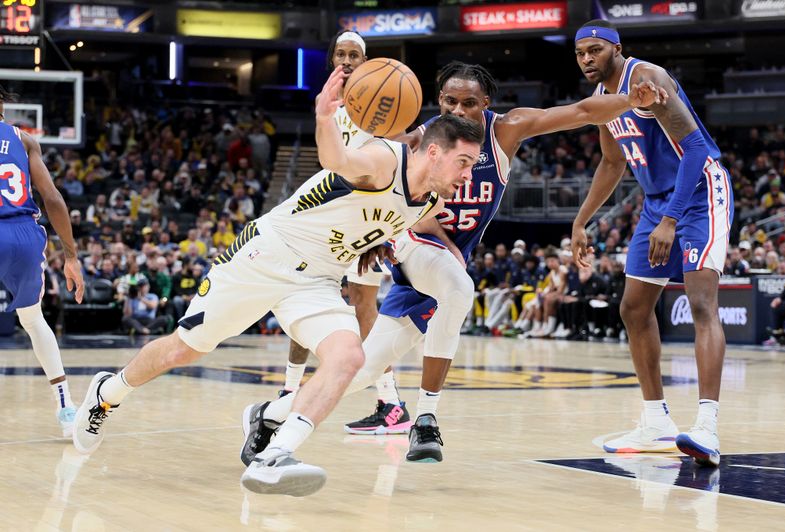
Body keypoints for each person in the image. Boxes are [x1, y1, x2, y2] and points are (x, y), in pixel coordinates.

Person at [72, 66, 484, 498]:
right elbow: (337, 160)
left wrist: (374, 242)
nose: (468, 175)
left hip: (317, 280)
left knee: (347, 359)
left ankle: (276, 456)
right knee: (184, 349)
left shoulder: (431, 199)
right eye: (464, 163)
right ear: (434, 153)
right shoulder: (384, 160)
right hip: (265, 257)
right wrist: (325, 119)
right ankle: (108, 391)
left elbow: (378, 222)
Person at [242, 60, 666, 463]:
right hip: (416, 245)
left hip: (439, 265)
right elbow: (381, 194)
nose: (458, 110)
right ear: (439, 101)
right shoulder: (419, 142)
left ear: (486, 105)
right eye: (449, 102)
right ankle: (426, 418)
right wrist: (374, 235)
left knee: (357, 372)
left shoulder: (506, 130)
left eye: (468, 103)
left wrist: (632, 101)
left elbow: (583, 110)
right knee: (460, 287)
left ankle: (268, 415)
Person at [571, 20, 733, 466]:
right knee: (633, 308)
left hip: (700, 192)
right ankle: (656, 421)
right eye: (581, 52)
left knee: (702, 303)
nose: (587, 58)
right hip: (658, 200)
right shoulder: (604, 101)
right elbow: (610, 161)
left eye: (596, 50)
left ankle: (707, 426)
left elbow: (697, 148)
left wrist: (670, 219)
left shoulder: (647, 78)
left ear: (617, 49)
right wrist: (581, 220)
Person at [278, 30, 410, 427]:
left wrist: (385, 229)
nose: (347, 60)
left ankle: (392, 403)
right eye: (341, 53)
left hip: (368, 218)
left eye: (354, 55)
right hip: (332, 215)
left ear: (366, 61)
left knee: (364, 308)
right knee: (302, 292)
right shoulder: (330, 106)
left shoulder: (384, 105)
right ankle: (289, 390)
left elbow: (394, 159)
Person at [0, 86, 85, 436]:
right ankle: (65, 408)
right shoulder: (24, 139)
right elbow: (53, 199)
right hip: (21, 235)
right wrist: (71, 256)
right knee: (34, 321)